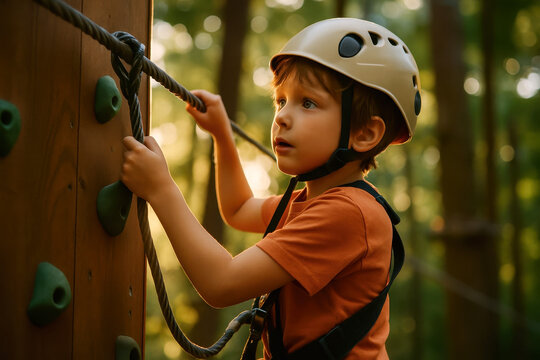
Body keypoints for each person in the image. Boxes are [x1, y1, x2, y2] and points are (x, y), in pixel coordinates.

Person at [121, 18, 421, 360]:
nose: (282, 117)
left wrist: (161, 189)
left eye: (307, 103)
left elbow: (221, 283)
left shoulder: (349, 213)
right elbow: (239, 209)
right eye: (281, 101)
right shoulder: (310, 202)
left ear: (365, 134)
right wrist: (222, 136)